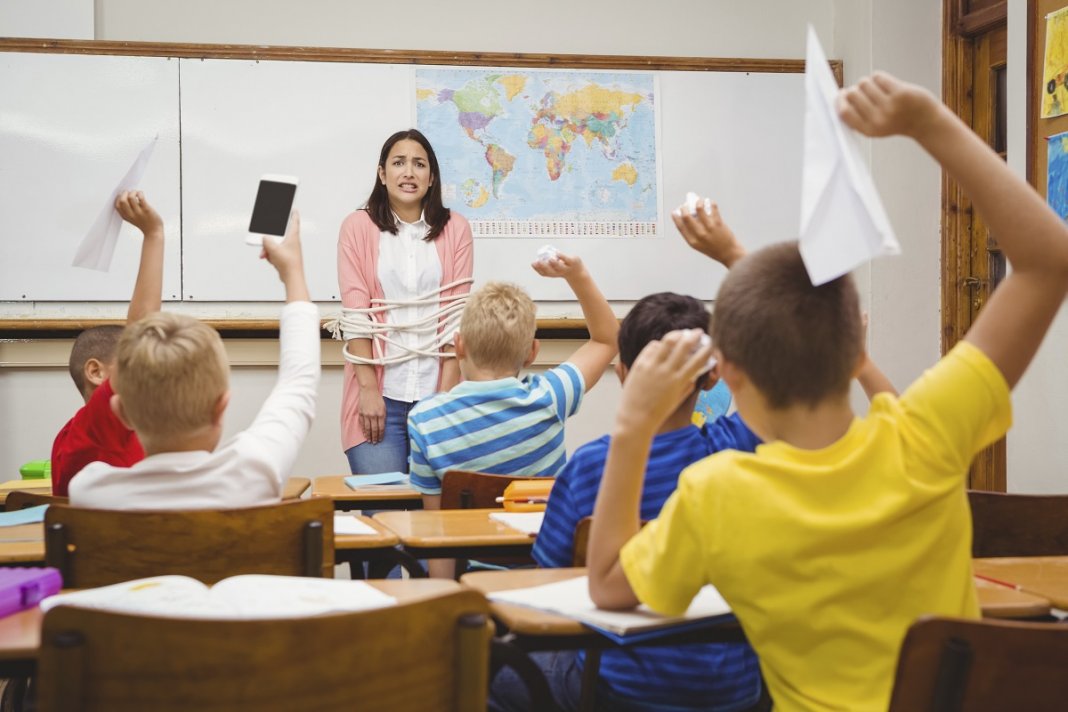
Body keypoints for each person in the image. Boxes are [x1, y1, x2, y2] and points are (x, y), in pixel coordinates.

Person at [586, 71, 1068, 711]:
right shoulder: (924, 436)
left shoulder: (718, 494)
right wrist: (930, 122)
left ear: (724, 372)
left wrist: (633, 426)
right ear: (853, 356)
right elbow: (1048, 261)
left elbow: (608, 585)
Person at [69, 214, 318, 509]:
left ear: (121, 411)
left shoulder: (90, 490)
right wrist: (293, 273)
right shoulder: (253, 471)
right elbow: (298, 383)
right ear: (220, 406)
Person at [408, 253, 618, 577]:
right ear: (533, 352)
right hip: (547, 573)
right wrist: (577, 275)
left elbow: (439, 534)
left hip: (475, 579)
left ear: (458, 346)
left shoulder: (425, 421)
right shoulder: (551, 397)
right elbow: (607, 338)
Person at [336, 128, 473, 476]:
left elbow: (456, 317)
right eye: (398, 163)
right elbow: (356, 313)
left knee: (438, 520)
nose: (408, 172)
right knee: (384, 514)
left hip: (439, 394)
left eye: (419, 164)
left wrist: (443, 400)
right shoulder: (357, 226)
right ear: (382, 174)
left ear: (432, 177)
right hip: (379, 397)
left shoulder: (456, 228)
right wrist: (368, 390)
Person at [51, 190, 164, 497]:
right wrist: (153, 234)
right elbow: (142, 334)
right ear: (96, 372)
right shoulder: (90, 429)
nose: (143, 372)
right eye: (128, 362)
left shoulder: (132, 430)